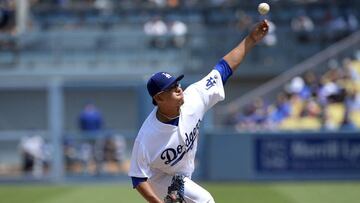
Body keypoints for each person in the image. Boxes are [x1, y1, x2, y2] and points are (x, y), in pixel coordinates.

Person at [128, 20, 269, 203]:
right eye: (171, 88)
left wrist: (250, 39)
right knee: (205, 200)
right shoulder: (147, 136)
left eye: (177, 83)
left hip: (182, 175)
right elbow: (138, 177)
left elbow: (224, 69)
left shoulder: (194, 97)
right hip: (160, 177)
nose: (178, 88)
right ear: (159, 98)